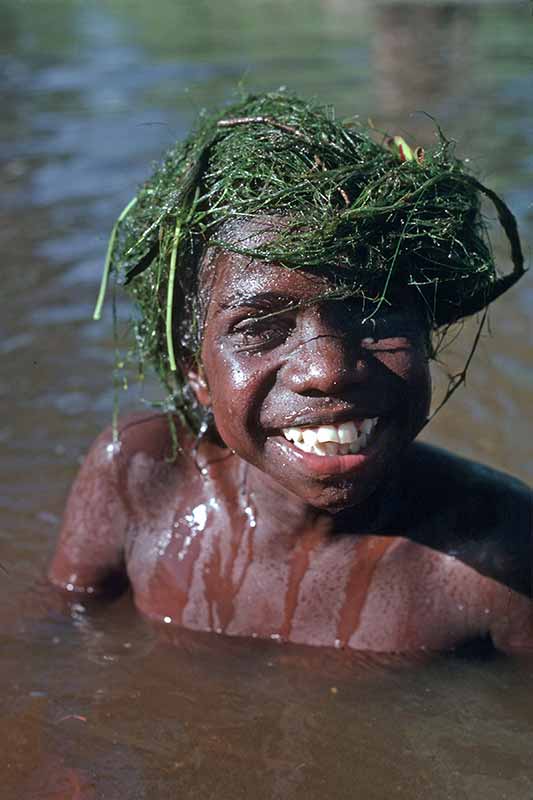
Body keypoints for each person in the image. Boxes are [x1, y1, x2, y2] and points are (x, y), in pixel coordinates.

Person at [48, 92, 532, 654]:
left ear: (427, 336)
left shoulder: (501, 561)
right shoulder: (136, 480)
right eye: (260, 328)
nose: (328, 371)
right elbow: (52, 648)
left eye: (373, 312)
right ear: (194, 371)